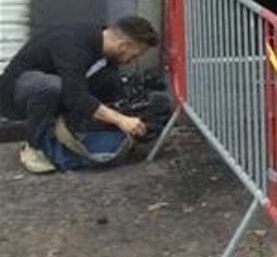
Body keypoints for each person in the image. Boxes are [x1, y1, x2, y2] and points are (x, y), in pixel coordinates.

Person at [0, 16, 159, 174]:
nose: (133, 60)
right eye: (135, 55)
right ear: (124, 45)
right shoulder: (72, 44)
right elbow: (75, 96)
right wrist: (120, 120)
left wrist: (129, 119)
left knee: (109, 80)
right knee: (52, 86)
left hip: (57, 90)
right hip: (15, 95)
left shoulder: (102, 46)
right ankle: (34, 147)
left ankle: (74, 132)